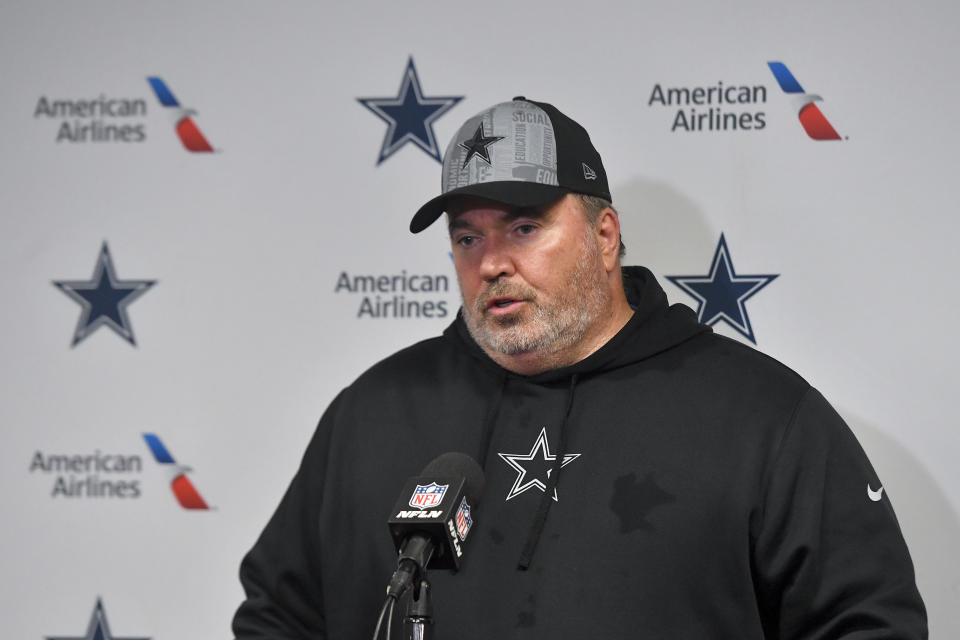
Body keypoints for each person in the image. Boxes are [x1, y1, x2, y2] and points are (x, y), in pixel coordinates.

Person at [233, 97, 927, 638]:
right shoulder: (374, 411)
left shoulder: (761, 416)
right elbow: (278, 616)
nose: (492, 262)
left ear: (604, 236)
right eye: (468, 237)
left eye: (524, 228)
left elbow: (867, 624)